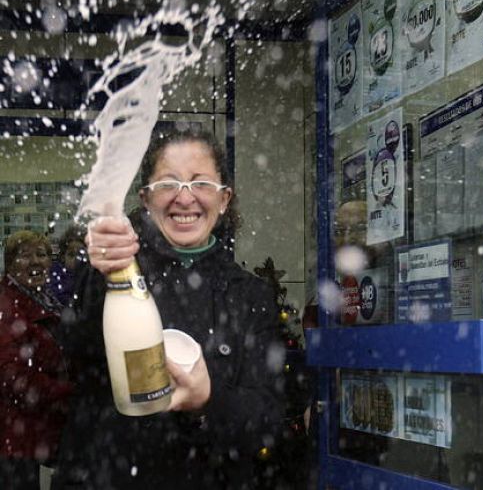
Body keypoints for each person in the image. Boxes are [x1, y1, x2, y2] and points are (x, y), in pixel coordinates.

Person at [53, 128, 285, 490]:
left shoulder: (250, 295)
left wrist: (208, 399)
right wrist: (98, 266)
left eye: (200, 182)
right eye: (168, 183)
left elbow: (266, 422)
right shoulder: (117, 268)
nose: (184, 197)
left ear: (224, 199)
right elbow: (75, 348)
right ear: (146, 199)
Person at [0, 230, 72, 490]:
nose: (35, 262)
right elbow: (12, 376)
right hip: (14, 436)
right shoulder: (7, 306)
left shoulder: (45, 300)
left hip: (36, 431)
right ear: (9, 264)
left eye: (41, 254)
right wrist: (70, 393)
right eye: (24, 255)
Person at [49, 225, 86, 306]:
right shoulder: (57, 276)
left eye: (81, 254)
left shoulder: (91, 275)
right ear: (63, 257)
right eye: (71, 255)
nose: (77, 259)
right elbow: (59, 296)